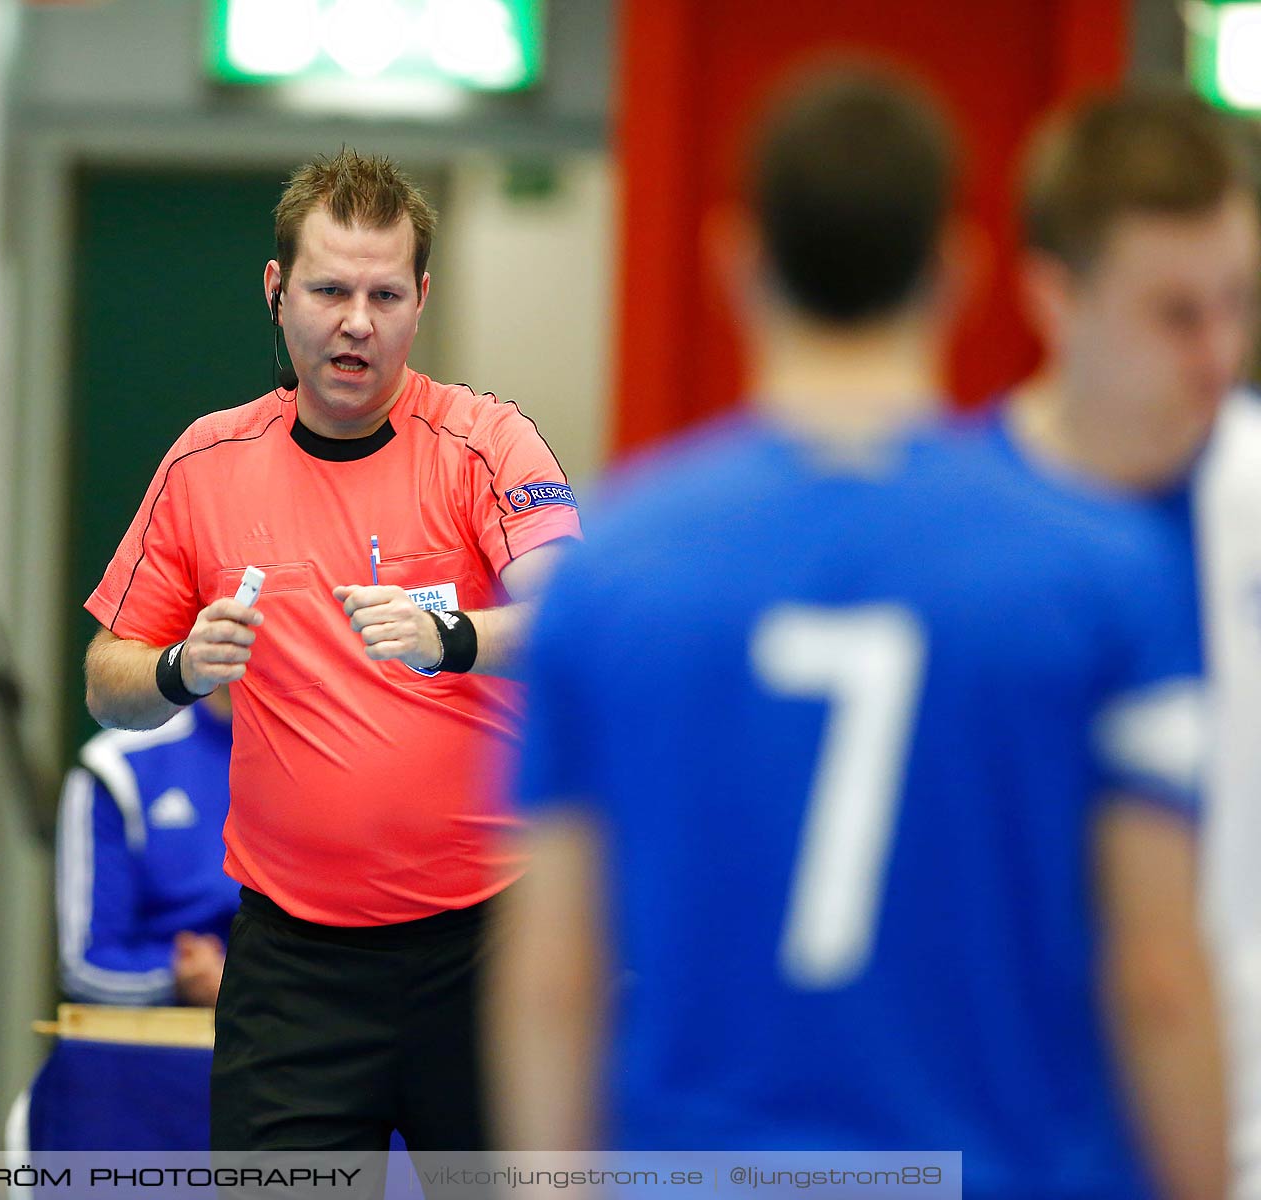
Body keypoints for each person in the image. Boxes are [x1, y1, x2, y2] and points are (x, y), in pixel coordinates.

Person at [493, 68, 1226, 1200]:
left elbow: (554, 976)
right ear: (959, 273)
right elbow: (1158, 976)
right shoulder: (1104, 571)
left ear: (736, 265)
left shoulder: (611, 576)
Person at [82, 148, 581, 1151]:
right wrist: (181, 669)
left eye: (385, 293)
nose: (357, 320)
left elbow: (574, 627)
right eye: (330, 289)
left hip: (482, 946)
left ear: (421, 299)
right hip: (295, 966)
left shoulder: (487, 443)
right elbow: (107, 681)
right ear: (277, 291)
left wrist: (453, 635)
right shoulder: (206, 463)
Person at [990, 85, 1261, 1195]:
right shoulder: (968, 537)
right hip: (1027, 1131)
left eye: (1237, 303)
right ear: (1056, 296)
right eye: (1175, 314)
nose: (1218, 351)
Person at [57, 686, 237, 1007]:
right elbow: (87, 964)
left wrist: (251, 986)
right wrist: (182, 975)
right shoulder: (118, 764)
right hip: (163, 1039)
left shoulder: (336, 755)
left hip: (302, 1032)